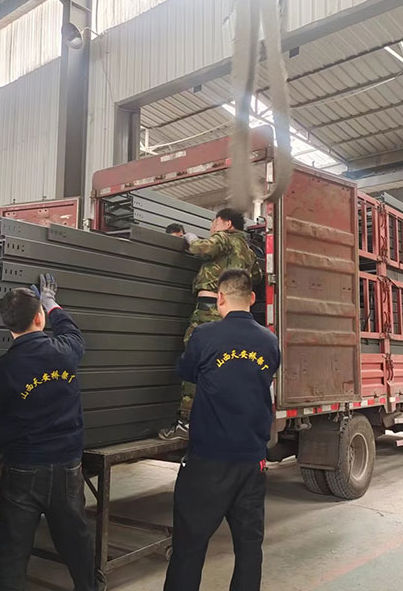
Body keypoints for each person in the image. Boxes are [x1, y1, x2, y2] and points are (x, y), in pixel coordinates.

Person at [0, 274, 97, 591]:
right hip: (67, 467)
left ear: (7, 325)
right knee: (76, 540)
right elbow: (71, 330)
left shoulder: (1, 369)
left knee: (13, 550)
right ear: (40, 318)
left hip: (22, 469)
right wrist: (51, 301)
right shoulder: (66, 351)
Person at [163, 269, 280, 591]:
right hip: (252, 462)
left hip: (208, 461)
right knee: (249, 547)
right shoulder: (269, 341)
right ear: (252, 298)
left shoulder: (205, 335)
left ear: (220, 299)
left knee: (189, 546)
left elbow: (186, 371)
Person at [159, 208, 261, 440]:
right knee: (223, 364)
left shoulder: (224, 238)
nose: (212, 227)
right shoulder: (247, 250)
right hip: (234, 311)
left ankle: (186, 422)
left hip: (209, 310)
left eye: (214, 222)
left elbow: (201, 248)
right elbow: (256, 276)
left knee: (196, 358)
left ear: (226, 223)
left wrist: (189, 238)